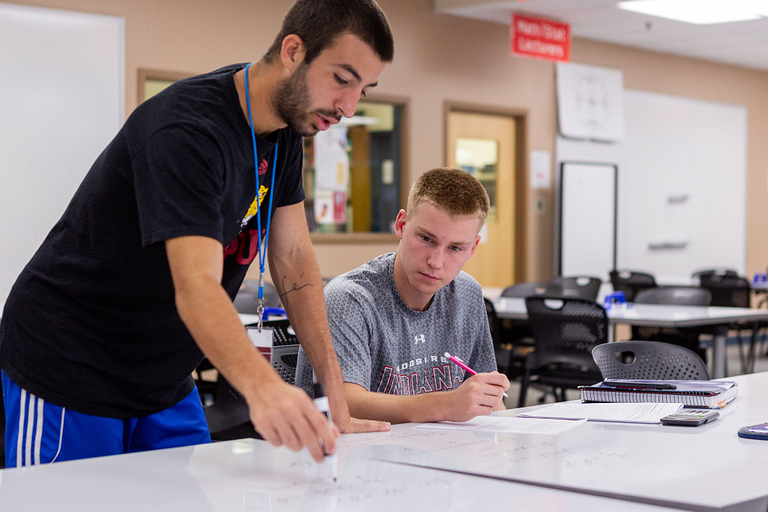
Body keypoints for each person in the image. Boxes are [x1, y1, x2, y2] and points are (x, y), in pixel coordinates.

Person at [0, 0, 394, 467]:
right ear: (293, 51)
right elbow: (196, 287)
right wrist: (264, 389)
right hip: (69, 363)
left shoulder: (285, 130)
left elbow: (292, 256)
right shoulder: (188, 130)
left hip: (161, 376)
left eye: (362, 91)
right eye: (341, 79)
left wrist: (335, 387)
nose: (348, 106)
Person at [295, 168, 510, 424]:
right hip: (355, 456)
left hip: (440, 453)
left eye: (455, 248)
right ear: (401, 225)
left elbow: (489, 398)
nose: (435, 261)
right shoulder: (350, 298)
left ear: (472, 248)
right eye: (427, 239)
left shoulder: (467, 293)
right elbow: (342, 402)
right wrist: (445, 404)